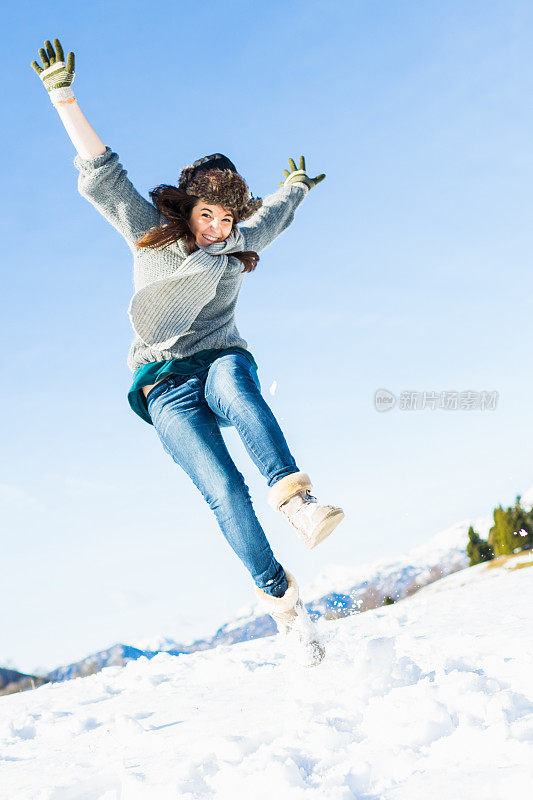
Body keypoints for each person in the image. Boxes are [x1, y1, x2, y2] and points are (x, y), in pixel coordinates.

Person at [31, 38, 345, 665]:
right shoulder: (149, 233)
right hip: (162, 385)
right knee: (224, 489)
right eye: (208, 215)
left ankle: (297, 500)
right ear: (187, 206)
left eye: (229, 220)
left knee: (236, 385)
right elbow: (103, 174)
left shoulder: (236, 241)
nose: (218, 230)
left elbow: (275, 217)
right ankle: (284, 606)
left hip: (220, 357)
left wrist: (297, 188)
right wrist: (63, 96)